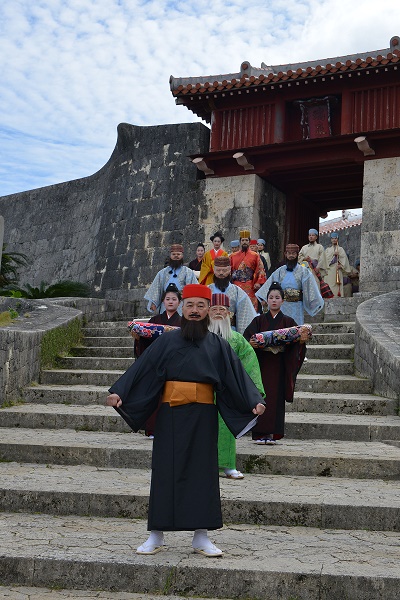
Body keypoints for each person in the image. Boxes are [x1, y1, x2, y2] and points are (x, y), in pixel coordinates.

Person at [106, 284, 266, 557]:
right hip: (170, 415)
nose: (194, 311)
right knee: (164, 471)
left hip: (204, 417)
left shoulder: (218, 345)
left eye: (200, 306)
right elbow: (143, 369)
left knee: (202, 474)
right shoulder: (167, 341)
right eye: (189, 305)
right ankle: (156, 535)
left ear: (207, 311)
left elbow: (234, 377)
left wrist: (253, 401)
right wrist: (120, 391)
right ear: (182, 307)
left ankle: (201, 537)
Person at [209, 293, 265, 478]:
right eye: (214, 309)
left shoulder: (237, 339)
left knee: (226, 428)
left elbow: (250, 365)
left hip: (228, 391)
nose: (218, 313)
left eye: (222, 310)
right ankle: (203, 466)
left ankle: (228, 465)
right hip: (202, 390)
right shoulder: (200, 337)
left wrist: (254, 394)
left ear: (230, 314)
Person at [244, 282, 307, 444]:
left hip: (279, 364)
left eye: (277, 298)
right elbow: (247, 338)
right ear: (266, 300)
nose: (274, 300)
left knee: (275, 398)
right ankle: (259, 434)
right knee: (261, 395)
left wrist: (300, 342)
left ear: (282, 301)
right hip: (262, 364)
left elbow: (295, 343)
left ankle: (273, 433)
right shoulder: (258, 321)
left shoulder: (288, 321)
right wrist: (251, 344)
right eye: (271, 297)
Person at [132, 283, 182, 439]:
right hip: (156, 363)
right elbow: (146, 340)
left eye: (174, 299)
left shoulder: (182, 322)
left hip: (175, 365)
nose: (171, 302)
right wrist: (138, 338)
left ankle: (171, 428)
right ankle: (152, 429)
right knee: (155, 396)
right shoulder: (154, 319)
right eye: (167, 299)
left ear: (179, 302)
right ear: (163, 301)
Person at [256, 244, 324, 325]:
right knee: (281, 329)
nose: (291, 256)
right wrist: (264, 298)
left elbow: (310, 287)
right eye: (289, 253)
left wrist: (313, 302)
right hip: (282, 306)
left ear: (297, 255)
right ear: (285, 254)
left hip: (297, 306)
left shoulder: (304, 271)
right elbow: (270, 284)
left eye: (293, 253)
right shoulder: (280, 271)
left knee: (296, 328)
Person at [208, 255, 257, 333]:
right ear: (214, 270)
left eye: (224, 270)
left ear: (230, 270)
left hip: (231, 332)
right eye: (218, 270)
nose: (221, 273)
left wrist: (241, 336)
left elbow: (245, 315)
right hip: (209, 331)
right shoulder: (207, 290)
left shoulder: (237, 292)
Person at [144, 244, 198, 314]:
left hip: (181, 304)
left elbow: (194, 288)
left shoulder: (188, 272)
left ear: (182, 256)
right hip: (166, 303)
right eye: (174, 254)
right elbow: (156, 288)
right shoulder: (162, 273)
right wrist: (154, 303)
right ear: (170, 256)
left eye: (178, 254)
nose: (176, 256)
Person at [230, 229, 266, 312]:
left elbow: (260, 269)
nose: (244, 242)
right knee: (235, 309)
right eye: (243, 240)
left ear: (249, 242)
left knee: (250, 310)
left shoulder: (255, 255)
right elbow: (229, 270)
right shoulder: (233, 256)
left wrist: (258, 282)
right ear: (240, 242)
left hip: (250, 286)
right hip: (236, 286)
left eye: (246, 240)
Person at [324, 233, 351, 297]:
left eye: (335, 238)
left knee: (337, 287)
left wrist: (341, 265)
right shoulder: (327, 250)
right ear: (331, 240)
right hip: (329, 271)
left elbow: (345, 260)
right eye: (332, 238)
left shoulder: (340, 249)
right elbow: (325, 260)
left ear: (337, 239)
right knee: (329, 285)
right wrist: (333, 254)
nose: (334, 240)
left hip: (337, 270)